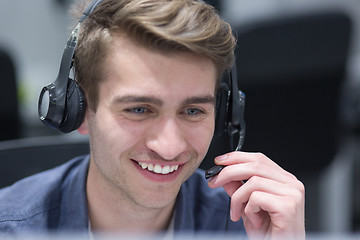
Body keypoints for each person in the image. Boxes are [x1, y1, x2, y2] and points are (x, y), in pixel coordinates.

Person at [0, 0, 305, 239]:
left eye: (193, 111)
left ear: (224, 113)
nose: (170, 148)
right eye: (139, 109)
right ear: (77, 110)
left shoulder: (247, 226)